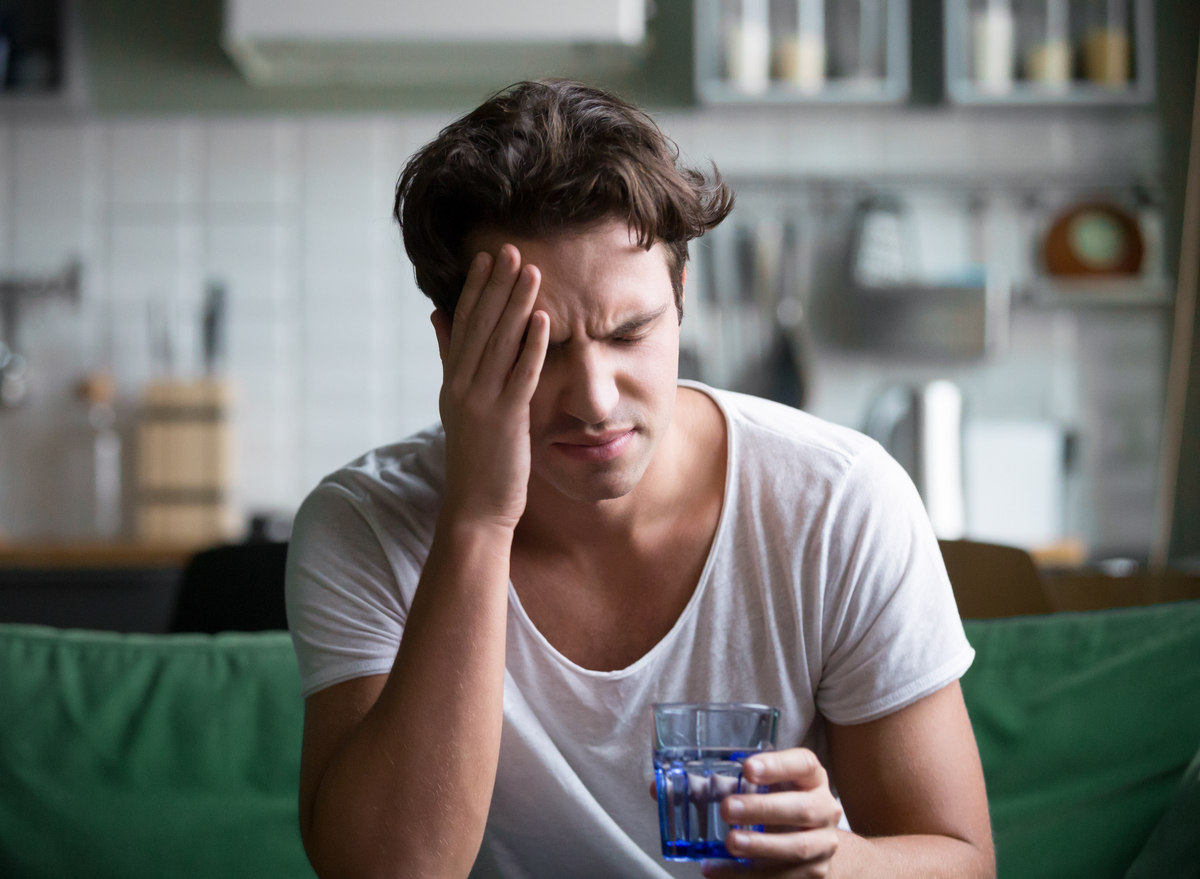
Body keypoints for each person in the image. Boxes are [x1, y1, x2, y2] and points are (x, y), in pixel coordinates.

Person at [285, 80, 995, 879]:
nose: (594, 398)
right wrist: (479, 519)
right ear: (453, 346)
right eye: (539, 346)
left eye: (632, 332)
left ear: (681, 296)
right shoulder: (364, 524)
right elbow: (393, 872)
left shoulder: (839, 501)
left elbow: (963, 860)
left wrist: (838, 865)